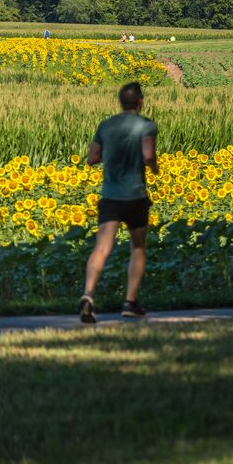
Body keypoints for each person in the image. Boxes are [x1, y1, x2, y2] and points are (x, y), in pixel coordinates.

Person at [79, 82, 159, 324]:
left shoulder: (106, 125)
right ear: (140, 102)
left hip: (110, 196)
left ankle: (88, 294)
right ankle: (130, 302)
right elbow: (148, 156)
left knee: (101, 247)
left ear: (120, 102)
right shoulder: (146, 126)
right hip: (135, 195)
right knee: (138, 248)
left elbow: (92, 158)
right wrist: (155, 168)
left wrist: (111, 153)